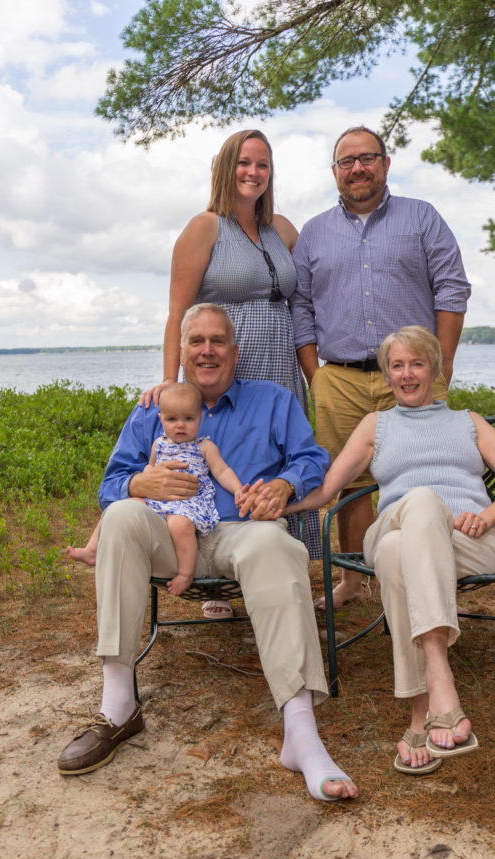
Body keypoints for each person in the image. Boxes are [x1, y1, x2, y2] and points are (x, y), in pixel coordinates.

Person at [57, 304, 358, 803]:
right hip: (168, 538)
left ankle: (301, 731)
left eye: (218, 341)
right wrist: (138, 483)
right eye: (196, 341)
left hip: (243, 532)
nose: (207, 350)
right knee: (122, 515)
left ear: (235, 353)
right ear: (181, 353)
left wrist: (285, 483)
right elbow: (111, 484)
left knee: (276, 543)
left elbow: (311, 459)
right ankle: (118, 706)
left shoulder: (273, 399)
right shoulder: (153, 407)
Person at [279, 326, 495, 775]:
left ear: (435, 369)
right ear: (386, 375)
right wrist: (278, 502)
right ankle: (440, 677)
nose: (406, 374)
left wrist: (488, 517)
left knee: (399, 551)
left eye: (416, 364)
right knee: (418, 504)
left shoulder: (469, 422)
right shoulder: (375, 425)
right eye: (396, 365)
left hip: (467, 541)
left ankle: (422, 713)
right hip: (397, 522)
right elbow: (325, 490)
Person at [290, 125, 471, 609]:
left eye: (367, 158)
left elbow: (452, 287)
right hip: (339, 377)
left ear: (386, 164)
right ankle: (353, 580)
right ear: (334, 172)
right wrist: (315, 375)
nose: (358, 168)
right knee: (350, 484)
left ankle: (435, 575)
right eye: (347, 161)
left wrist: (442, 364)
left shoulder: (422, 217)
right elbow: (300, 305)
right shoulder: (314, 233)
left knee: (427, 473)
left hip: (412, 377)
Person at [141, 127, 320, 560]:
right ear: (225, 168)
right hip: (225, 362)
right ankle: (216, 559)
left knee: (282, 457)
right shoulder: (204, 228)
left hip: (280, 365)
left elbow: (308, 299)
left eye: (262, 165)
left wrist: (318, 375)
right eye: (244, 163)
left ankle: (282, 559)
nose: (253, 172)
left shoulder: (282, 229)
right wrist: (170, 380)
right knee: (229, 456)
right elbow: (178, 313)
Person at [67, 383, 244, 603]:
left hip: (189, 503)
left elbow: (222, 471)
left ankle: (186, 573)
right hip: (159, 499)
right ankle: (92, 549)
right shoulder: (159, 444)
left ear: (200, 418)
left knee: (179, 524)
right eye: (172, 419)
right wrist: (148, 474)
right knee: (123, 506)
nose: (180, 425)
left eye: (188, 419)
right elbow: (150, 468)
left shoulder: (204, 446)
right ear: (161, 419)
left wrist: (237, 489)